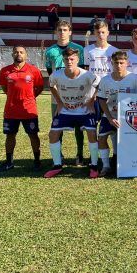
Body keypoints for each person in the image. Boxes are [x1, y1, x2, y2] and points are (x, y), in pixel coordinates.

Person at [46, 48, 100, 178]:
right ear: (63, 60)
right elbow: (51, 85)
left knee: (92, 133)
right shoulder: (57, 74)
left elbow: (99, 85)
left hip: (84, 110)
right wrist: (59, 101)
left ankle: (94, 165)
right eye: (66, 59)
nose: (69, 62)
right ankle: (57, 165)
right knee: (53, 134)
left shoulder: (87, 74)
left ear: (77, 60)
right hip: (65, 110)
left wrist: (92, 100)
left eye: (72, 59)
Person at [44, 20, 86, 165]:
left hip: (76, 94)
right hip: (57, 96)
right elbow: (51, 76)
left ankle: (80, 154)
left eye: (65, 30)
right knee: (57, 125)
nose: (62, 32)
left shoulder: (79, 48)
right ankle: (59, 154)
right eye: (59, 30)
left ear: (70, 32)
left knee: (79, 126)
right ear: (56, 32)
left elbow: (82, 73)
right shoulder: (49, 51)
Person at [0, 46, 44, 172]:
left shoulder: (33, 70)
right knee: (10, 135)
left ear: (26, 55)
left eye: (21, 52)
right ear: (12, 54)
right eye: (16, 52)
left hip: (29, 110)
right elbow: (4, 88)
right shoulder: (5, 71)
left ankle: (37, 161)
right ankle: (9, 162)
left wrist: (30, 98)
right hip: (11, 110)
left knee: (33, 135)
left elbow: (39, 87)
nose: (19, 54)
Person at [97, 51, 137, 176]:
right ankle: (106, 166)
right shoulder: (105, 80)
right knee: (101, 138)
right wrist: (110, 118)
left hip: (129, 117)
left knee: (132, 140)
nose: (119, 65)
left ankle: (131, 163)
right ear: (112, 63)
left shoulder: (135, 79)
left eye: (122, 63)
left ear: (127, 63)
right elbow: (101, 100)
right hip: (110, 115)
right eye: (116, 63)